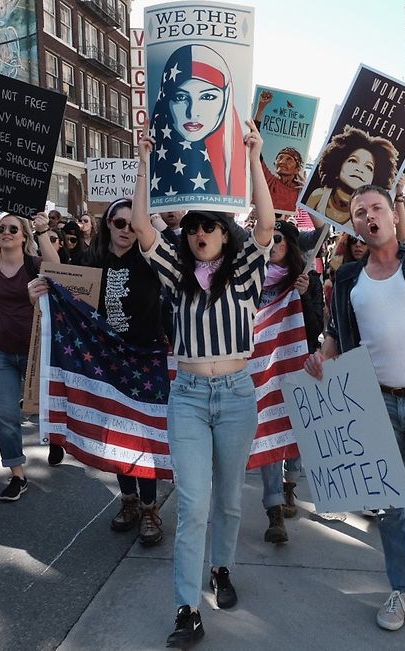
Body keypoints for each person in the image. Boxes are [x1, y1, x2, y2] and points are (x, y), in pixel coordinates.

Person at [131, 122, 273, 647]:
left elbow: (265, 224)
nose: (199, 234)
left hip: (237, 395)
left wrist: (255, 154)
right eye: (194, 228)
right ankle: (187, 608)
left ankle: (223, 569)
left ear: (224, 232)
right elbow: (144, 227)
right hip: (188, 397)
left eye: (210, 226)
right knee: (193, 504)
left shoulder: (247, 273)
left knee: (230, 500)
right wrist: (143, 160)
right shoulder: (174, 272)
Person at [304, 184, 405, 636]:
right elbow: (336, 335)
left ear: (394, 215)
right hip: (378, 406)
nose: (368, 216)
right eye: (358, 212)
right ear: (352, 225)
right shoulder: (349, 278)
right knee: (389, 506)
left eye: (376, 208)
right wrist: (321, 361)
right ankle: (400, 587)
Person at [31, 198, 168, 542]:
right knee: (116, 430)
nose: (125, 230)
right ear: (107, 226)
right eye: (118, 223)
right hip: (107, 359)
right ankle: (129, 500)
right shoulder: (95, 261)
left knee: (145, 434)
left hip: (147, 358)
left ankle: (151, 508)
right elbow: (62, 278)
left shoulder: (152, 261)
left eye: (132, 224)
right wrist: (43, 235)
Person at [0, 213, 58, 501]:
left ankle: (55, 439)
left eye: (13, 228)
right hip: (0, 353)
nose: (7, 232)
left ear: (24, 235)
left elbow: (60, 272)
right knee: (5, 415)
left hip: (36, 350)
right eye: (1, 228)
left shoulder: (35, 266)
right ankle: (17, 474)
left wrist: (44, 230)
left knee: (45, 409)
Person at [255, 219, 317, 544]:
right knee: (267, 434)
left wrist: (305, 297)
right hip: (263, 372)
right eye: (268, 238)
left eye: (278, 239)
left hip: (296, 366)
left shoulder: (305, 279)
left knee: (295, 433)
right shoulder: (250, 278)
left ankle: (290, 483)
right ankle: (274, 509)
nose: (272, 244)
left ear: (289, 245)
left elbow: (317, 324)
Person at [148, 44, 246, 202]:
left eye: (207, 97)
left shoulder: (233, 158)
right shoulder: (155, 157)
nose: (192, 113)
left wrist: (254, 160)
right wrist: (143, 165)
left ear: (226, 98)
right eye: (180, 97)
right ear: (166, 98)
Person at [303, 126, 398, 226]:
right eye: (353, 161)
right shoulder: (318, 196)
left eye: (369, 167)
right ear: (338, 165)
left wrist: (399, 195)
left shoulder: (369, 216)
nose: (360, 169)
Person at [253, 90, 307, 214]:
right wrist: (260, 108)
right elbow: (254, 144)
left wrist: (306, 194)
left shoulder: (300, 192)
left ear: (297, 168)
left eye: (289, 159)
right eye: (280, 158)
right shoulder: (267, 180)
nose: (282, 161)